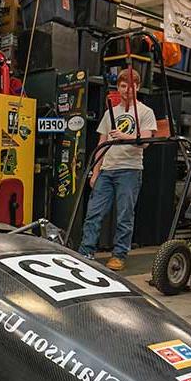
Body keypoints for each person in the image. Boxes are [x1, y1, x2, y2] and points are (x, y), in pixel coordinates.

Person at [79, 68, 157, 271]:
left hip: (130, 170)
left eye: (131, 86)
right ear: (118, 87)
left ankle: (119, 255)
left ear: (137, 87)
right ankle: (86, 252)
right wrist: (95, 172)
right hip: (107, 169)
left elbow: (146, 142)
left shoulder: (145, 112)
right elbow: (101, 144)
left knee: (125, 215)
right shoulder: (110, 113)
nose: (126, 90)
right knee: (93, 213)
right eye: (123, 86)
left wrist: (125, 136)